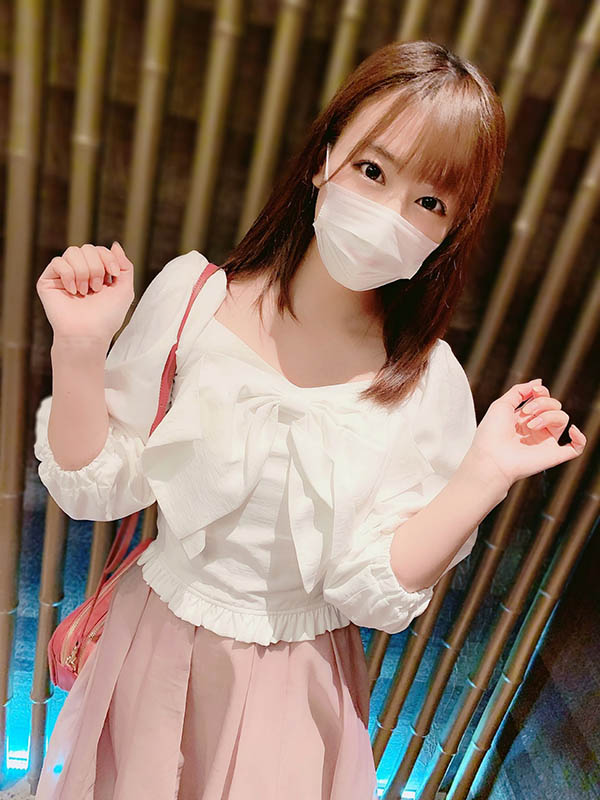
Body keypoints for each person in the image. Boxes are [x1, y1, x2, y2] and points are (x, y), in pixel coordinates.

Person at [32, 39, 586, 800]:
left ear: (449, 233)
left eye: (429, 203)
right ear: (325, 160)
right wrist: (78, 348)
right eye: (373, 170)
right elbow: (95, 487)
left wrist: (484, 475)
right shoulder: (194, 297)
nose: (390, 213)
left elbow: (372, 594)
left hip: (296, 684)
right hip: (148, 642)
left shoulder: (429, 384)